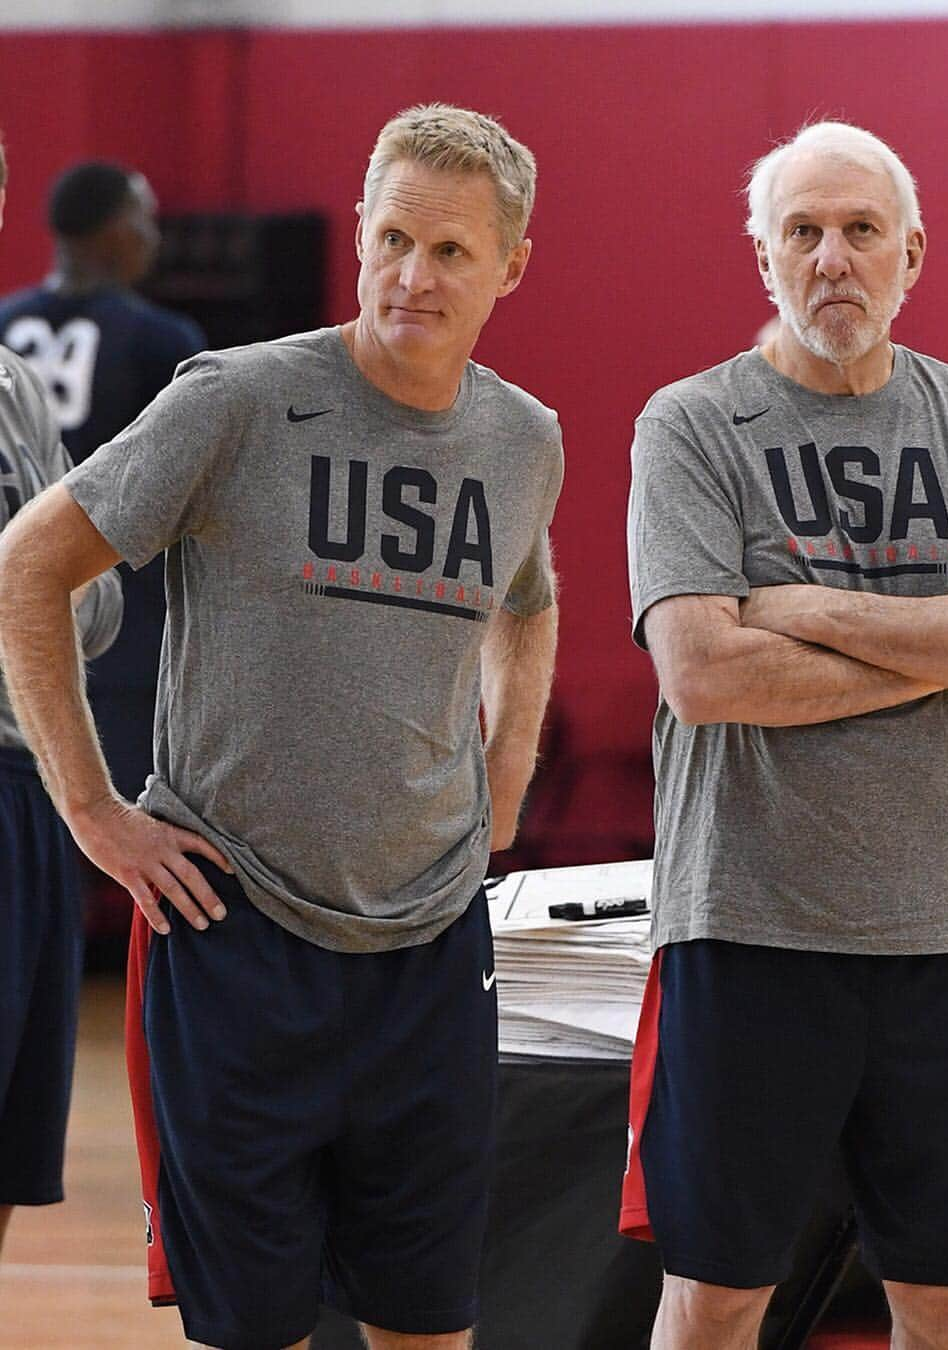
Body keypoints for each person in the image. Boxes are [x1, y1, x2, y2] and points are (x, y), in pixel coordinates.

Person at [0, 103, 562, 1350]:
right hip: (234, 934)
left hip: (430, 948)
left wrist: (508, 769)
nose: (414, 276)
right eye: (393, 237)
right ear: (362, 231)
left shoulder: (525, 439)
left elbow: (528, 603)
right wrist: (91, 810)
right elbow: (25, 571)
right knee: (256, 1330)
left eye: (453, 251)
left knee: (429, 1323)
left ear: (511, 265)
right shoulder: (235, 399)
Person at [621, 120, 948, 1350]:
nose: (833, 258)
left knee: (947, 1297)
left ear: (912, 254)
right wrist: (945, 643)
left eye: (861, 230)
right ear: (760, 253)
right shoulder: (692, 425)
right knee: (715, 1295)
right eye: (804, 231)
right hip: (750, 928)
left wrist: (813, 609)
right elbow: (704, 672)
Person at [0, 136, 123, 1257]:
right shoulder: (165, 346)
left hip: (28, 767)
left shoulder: (15, 378)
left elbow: (82, 595)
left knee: (13, 1138)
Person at [0, 161, 204, 807]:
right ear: (114, 231)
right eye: (143, 218)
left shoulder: (6, 322)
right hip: (120, 629)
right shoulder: (161, 340)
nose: (153, 235)